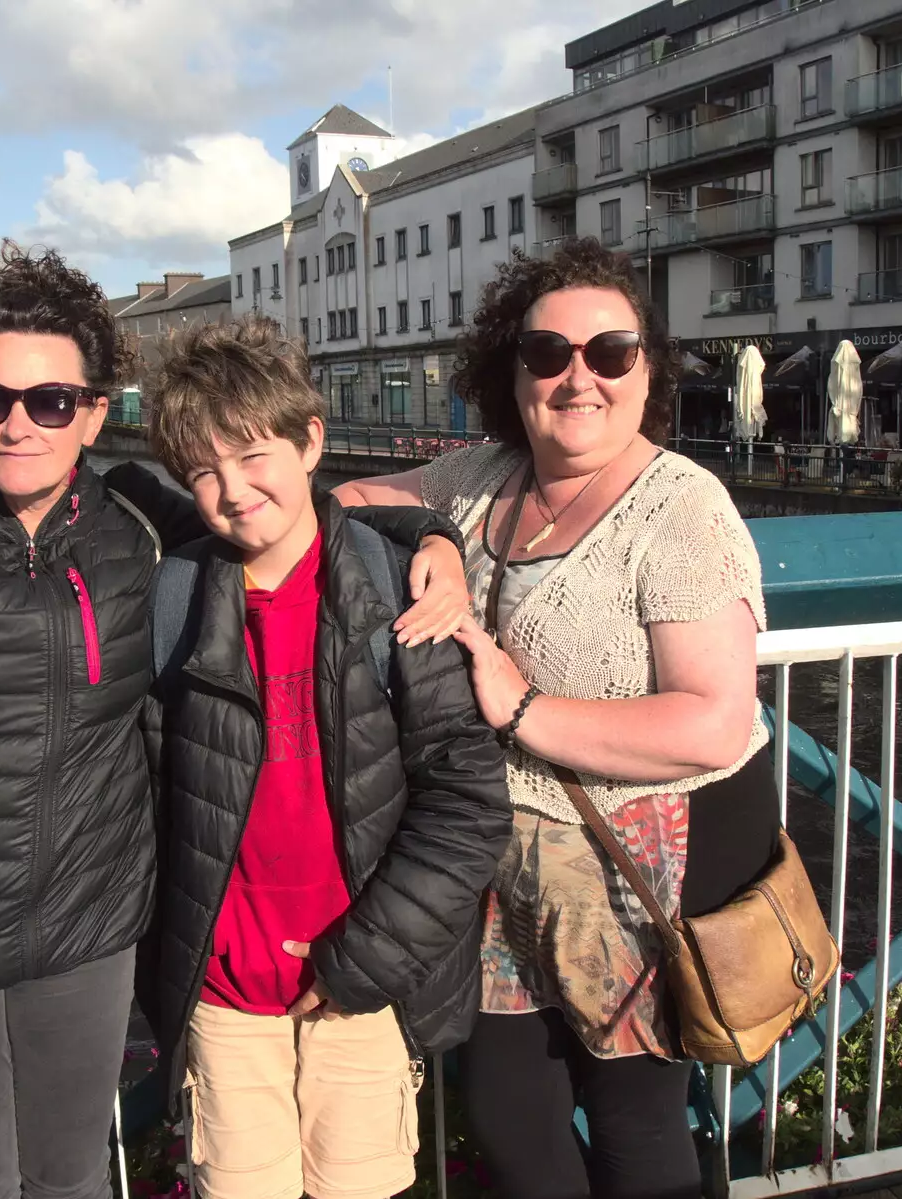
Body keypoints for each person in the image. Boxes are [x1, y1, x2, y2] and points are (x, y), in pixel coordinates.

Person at [0, 242, 471, 1199]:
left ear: (92, 412)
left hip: (88, 935)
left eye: (50, 401)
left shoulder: (133, 524)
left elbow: (278, 523)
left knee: (74, 1175)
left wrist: (432, 538)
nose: (18, 425)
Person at [334, 238, 781, 1199]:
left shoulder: (682, 510)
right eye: (548, 354)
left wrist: (525, 706)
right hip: (501, 853)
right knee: (506, 1106)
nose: (578, 377)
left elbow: (711, 721)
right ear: (513, 371)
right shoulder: (488, 476)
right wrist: (434, 539)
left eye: (609, 353)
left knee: (632, 1115)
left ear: (646, 369)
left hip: (646, 851)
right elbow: (343, 501)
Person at [137, 315, 512, 1199]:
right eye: (202, 471)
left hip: (362, 983)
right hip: (226, 988)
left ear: (310, 441)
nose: (232, 490)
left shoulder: (397, 594)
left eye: (251, 456)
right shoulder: (176, 597)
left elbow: (466, 806)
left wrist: (366, 962)